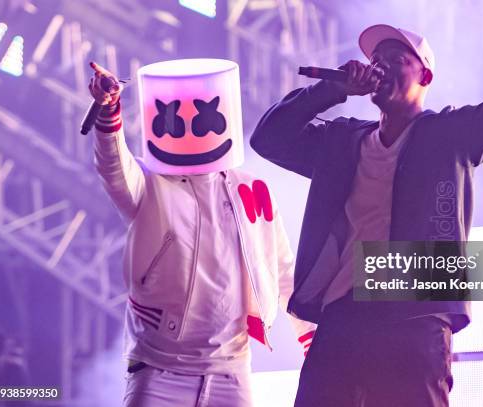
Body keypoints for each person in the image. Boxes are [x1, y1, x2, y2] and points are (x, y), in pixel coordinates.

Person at [250, 24, 483, 407]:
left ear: (425, 75)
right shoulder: (342, 142)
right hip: (341, 318)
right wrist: (331, 89)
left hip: (414, 321)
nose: (380, 67)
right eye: (375, 60)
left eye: (396, 59)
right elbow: (269, 138)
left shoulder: (447, 135)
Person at [88, 59, 315, 407]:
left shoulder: (252, 189)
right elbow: (114, 170)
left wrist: (311, 342)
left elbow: (282, 273)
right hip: (158, 367)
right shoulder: (151, 184)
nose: (191, 126)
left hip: (232, 370)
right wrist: (109, 114)